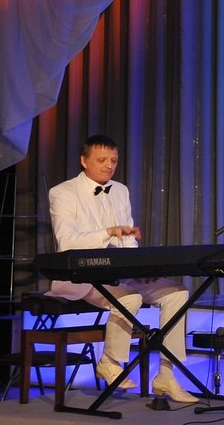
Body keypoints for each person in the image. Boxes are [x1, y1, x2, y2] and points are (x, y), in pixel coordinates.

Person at [45, 134, 197, 402]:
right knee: (129, 298)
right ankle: (110, 361)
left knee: (177, 294)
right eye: (102, 160)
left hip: (121, 274)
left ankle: (166, 375)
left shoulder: (121, 190)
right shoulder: (62, 192)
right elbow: (67, 242)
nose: (109, 165)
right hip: (83, 277)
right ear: (84, 161)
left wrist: (138, 266)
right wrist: (107, 232)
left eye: (113, 160)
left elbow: (127, 241)